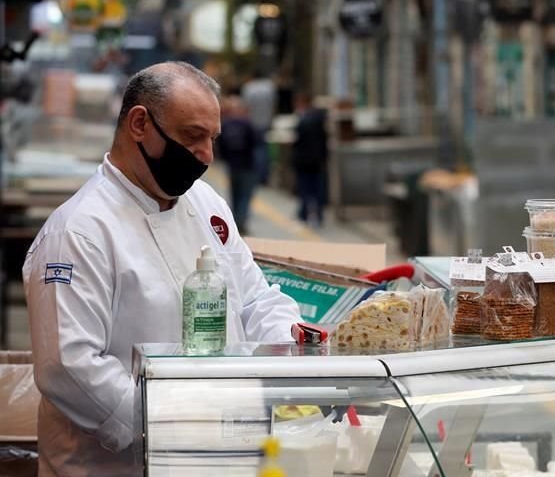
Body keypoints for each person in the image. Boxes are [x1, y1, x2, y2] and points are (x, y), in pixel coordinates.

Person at [22, 62, 302, 476]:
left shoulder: (206, 205)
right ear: (140, 123)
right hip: (121, 463)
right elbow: (68, 366)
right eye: (192, 136)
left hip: (216, 450)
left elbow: (255, 298)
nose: (206, 155)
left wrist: (291, 358)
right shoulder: (79, 232)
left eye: (212, 138)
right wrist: (167, 422)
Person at [216, 95, 259, 233]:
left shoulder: (225, 125)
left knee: (234, 195)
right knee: (245, 195)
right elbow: (256, 143)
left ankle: (234, 222)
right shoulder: (247, 124)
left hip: (232, 166)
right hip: (247, 165)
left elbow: (220, 146)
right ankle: (240, 222)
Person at [291, 93, 329, 226]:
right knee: (317, 188)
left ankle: (303, 214)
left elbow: (298, 141)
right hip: (317, 161)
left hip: (303, 161)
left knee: (304, 188)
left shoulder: (304, 120)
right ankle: (318, 215)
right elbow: (324, 141)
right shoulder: (320, 119)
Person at [241, 69, 276, 184]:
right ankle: (264, 175)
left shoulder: (249, 88)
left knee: (255, 150)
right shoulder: (269, 87)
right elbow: (274, 105)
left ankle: (256, 174)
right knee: (264, 149)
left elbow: (245, 107)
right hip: (266, 122)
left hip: (252, 123)